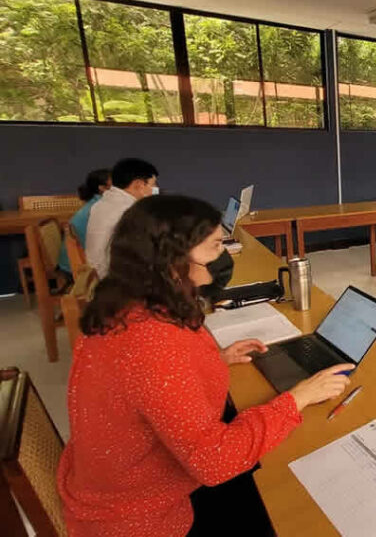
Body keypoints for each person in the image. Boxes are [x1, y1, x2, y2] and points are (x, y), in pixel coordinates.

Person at [58, 195, 355, 537]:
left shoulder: (128, 304)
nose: (224, 256)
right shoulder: (150, 343)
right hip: (145, 517)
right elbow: (214, 462)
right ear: (173, 258)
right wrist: (297, 399)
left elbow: (152, 386)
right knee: (288, 495)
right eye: (215, 246)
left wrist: (214, 359)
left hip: (132, 483)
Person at [85, 158, 159, 277]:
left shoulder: (102, 204)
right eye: (154, 184)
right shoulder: (129, 210)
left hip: (95, 274)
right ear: (139, 185)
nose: (156, 189)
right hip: (112, 279)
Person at [57, 169, 111, 274]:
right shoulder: (100, 207)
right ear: (102, 188)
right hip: (79, 268)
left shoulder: (96, 203)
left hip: (70, 263)